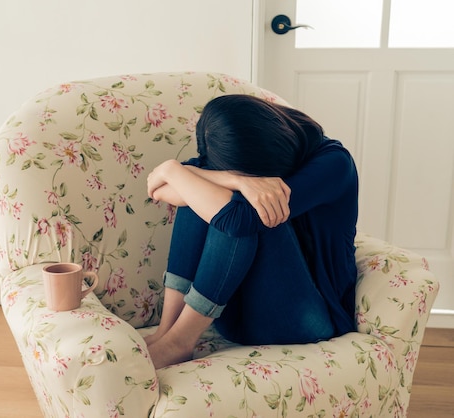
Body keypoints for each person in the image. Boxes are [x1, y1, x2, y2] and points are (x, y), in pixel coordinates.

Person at [144, 94, 359, 369]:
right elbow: (164, 188)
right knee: (197, 196)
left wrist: (175, 172)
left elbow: (238, 220)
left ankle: (180, 341)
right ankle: (168, 330)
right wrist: (232, 179)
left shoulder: (334, 164)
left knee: (240, 213)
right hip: (235, 316)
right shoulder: (228, 151)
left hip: (306, 323)